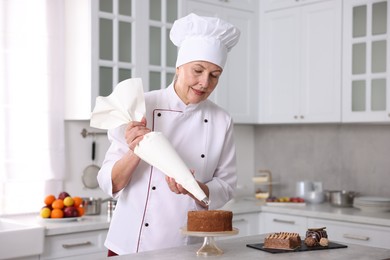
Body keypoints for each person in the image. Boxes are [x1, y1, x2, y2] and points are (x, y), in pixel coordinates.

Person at [97, 13, 241, 256]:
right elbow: (108, 182)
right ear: (178, 67)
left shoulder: (221, 120)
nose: (204, 82)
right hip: (130, 245)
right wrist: (137, 150)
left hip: (186, 244)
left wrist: (195, 188)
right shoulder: (141, 105)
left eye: (214, 75)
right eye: (198, 70)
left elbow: (226, 186)